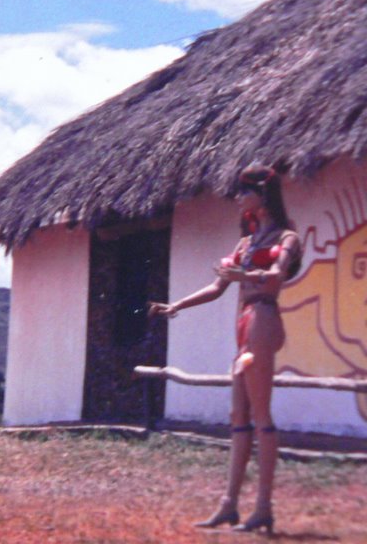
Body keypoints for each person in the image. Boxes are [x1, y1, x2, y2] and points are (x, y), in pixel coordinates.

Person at [148, 164, 301, 535]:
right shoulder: (245, 244)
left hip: (263, 318)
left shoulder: (287, 237)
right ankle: (229, 505)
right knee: (239, 414)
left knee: (261, 414)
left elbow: (278, 276)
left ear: (262, 195)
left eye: (243, 191)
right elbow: (217, 287)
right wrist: (177, 305)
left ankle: (263, 507)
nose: (237, 198)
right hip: (244, 321)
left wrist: (244, 277)